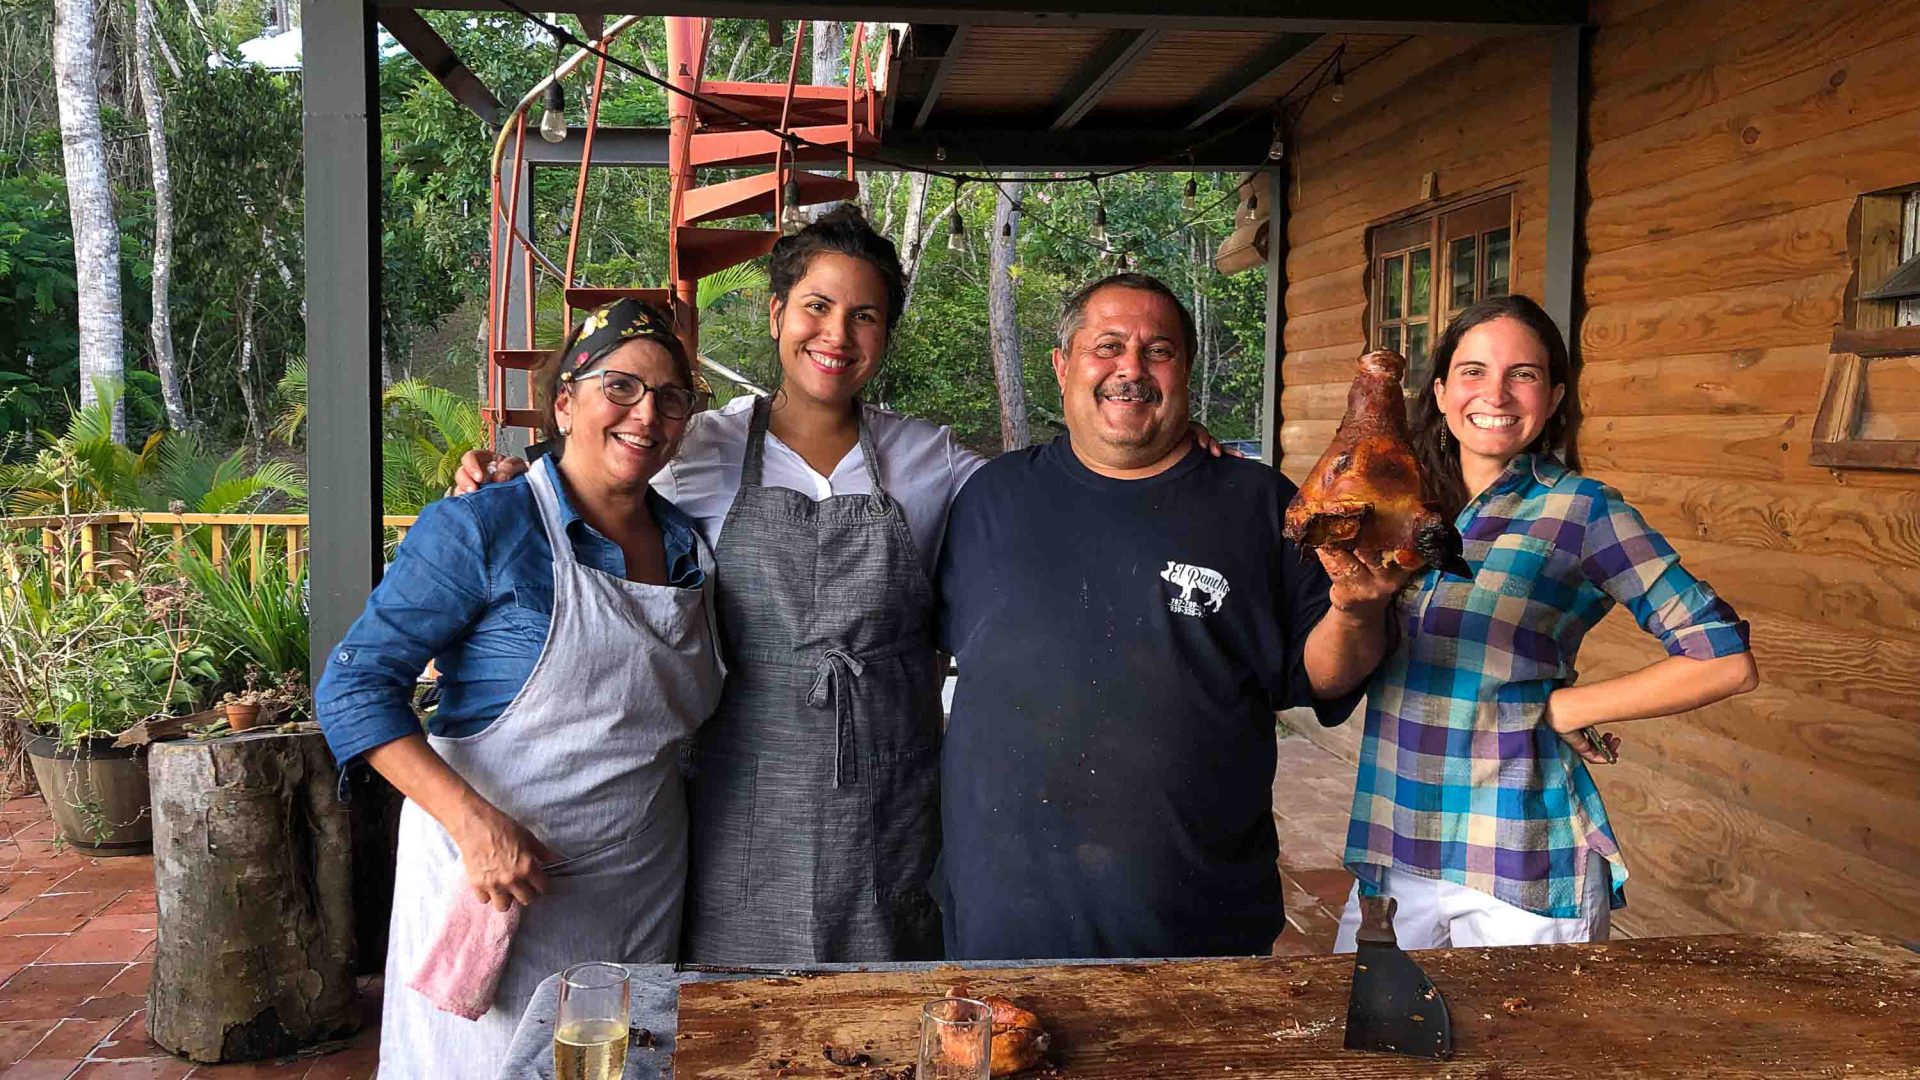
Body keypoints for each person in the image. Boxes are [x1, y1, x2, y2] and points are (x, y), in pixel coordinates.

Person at [458, 207, 1237, 964]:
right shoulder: (699, 446)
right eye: (817, 307)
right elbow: (583, 480)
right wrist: (500, 477)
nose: (836, 334)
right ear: (776, 315)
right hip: (743, 802)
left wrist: (1171, 452)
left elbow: (1054, 491)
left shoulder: (931, 458)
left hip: (892, 803)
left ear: (885, 338)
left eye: (864, 316)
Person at [934, 273, 1405, 961]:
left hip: (1196, 911)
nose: (1131, 368)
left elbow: (1323, 678)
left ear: (1185, 369)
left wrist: (1358, 611)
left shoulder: (1263, 506)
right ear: (1064, 365)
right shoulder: (988, 499)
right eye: (1108, 346)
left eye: (1158, 350)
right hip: (1001, 906)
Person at [315, 300, 723, 1078]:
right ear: (565, 401)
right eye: (622, 387)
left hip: (638, 891)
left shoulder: (688, 543)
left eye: (673, 397)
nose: (649, 414)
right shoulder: (481, 527)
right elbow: (353, 685)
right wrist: (472, 826)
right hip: (499, 891)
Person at [1332, 294, 1758, 952]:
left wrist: (1560, 707)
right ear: (1442, 391)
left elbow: (1724, 657)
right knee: (1370, 1052)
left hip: (1522, 854)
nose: (1495, 393)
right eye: (1473, 371)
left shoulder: (1580, 509)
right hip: (1398, 843)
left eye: (1522, 374)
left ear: (1554, 395)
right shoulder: (1394, 504)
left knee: (1530, 1055)